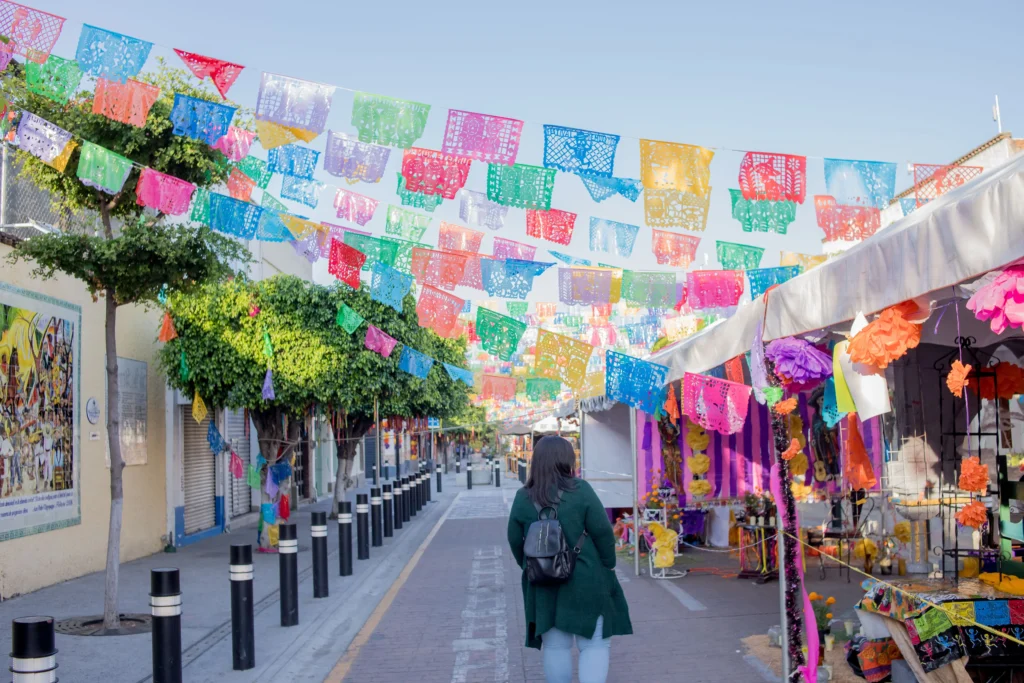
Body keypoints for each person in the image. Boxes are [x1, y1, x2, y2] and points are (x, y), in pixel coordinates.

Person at [507, 435, 632, 683]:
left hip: (544, 584)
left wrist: (533, 566)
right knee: (594, 645)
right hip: (586, 577)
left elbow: (514, 539)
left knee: (555, 647)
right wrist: (608, 565)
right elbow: (603, 533)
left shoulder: (523, 496)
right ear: (567, 460)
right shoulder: (581, 490)